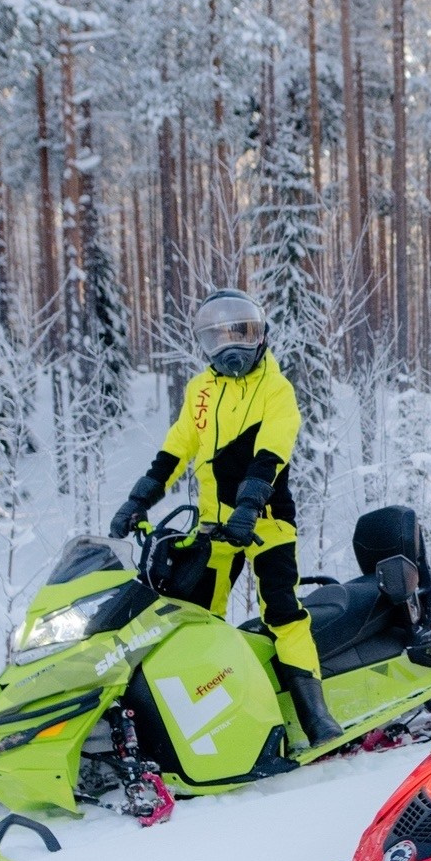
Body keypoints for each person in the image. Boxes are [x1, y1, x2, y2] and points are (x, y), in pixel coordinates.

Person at [108, 289, 343, 752]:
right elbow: (176, 450)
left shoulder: (277, 390)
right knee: (191, 616)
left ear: (261, 335)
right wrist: (138, 500)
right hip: (214, 528)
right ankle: (198, 717)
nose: (232, 349)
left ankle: (318, 718)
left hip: (266, 520)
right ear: (204, 345)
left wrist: (249, 506)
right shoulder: (201, 391)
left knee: (282, 612)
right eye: (218, 340)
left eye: (243, 334)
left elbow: (270, 455)